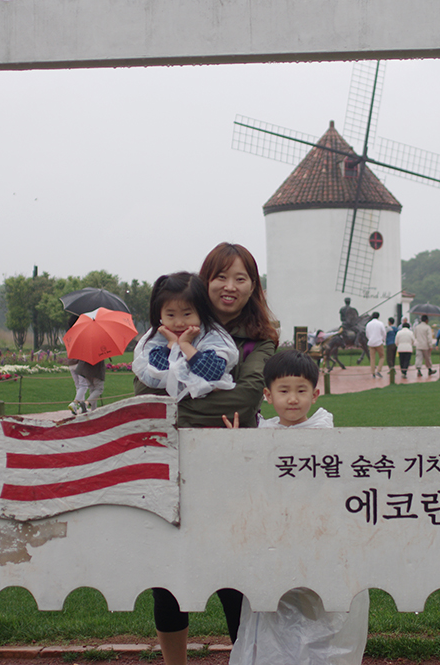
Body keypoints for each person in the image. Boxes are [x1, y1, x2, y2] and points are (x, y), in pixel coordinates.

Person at [134, 243, 278, 665]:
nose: (230, 286)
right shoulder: (169, 328)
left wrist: (172, 410)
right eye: (220, 277)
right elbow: (144, 391)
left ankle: (243, 657)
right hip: (175, 467)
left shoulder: (259, 340)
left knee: (235, 574)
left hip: (232, 469)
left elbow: (245, 400)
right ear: (205, 281)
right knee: (169, 574)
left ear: (253, 286)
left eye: (241, 278)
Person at [225, 351, 369, 665]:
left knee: (316, 609)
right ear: (268, 395)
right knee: (271, 608)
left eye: (301, 390)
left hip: (315, 542)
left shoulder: (324, 434)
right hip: (271, 542)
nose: (293, 399)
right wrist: (238, 447)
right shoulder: (262, 434)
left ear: (315, 394)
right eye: (284, 391)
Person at [132, 272, 239, 400]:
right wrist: (171, 345)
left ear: (201, 311)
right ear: (160, 314)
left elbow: (212, 373)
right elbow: (152, 377)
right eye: (170, 315)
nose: (179, 323)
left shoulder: (212, 336)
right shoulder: (156, 337)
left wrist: (185, 345)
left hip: (205, 410)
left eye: (187, 314)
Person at [364, 312, 386, 378]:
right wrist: (383, 340)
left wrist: (370, 338)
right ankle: (378, 370)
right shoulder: (380, 323)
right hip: (378, 342)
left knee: (372, 358)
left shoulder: (368, 324)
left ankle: (373, 372)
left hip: (371, 342)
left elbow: (367, 334)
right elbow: (384, 333)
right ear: (378, 317)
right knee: (382, 356)